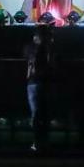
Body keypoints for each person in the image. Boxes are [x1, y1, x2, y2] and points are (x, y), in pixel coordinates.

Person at [24, 24, 55, 152]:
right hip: (43, 82)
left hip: (34, 82)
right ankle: (42, 141)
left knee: (37, 113)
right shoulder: (47, 49)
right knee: (43, 113)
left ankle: (37, 142)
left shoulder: (30, 48)